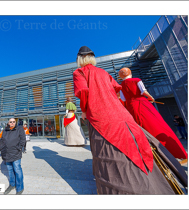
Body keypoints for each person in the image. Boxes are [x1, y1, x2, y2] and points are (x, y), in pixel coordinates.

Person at [73, 46, 179, 194]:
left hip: (100, 116)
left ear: (79, 59)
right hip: (122, 115)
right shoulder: (104, 72)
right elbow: (116, 91)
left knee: (107, 149)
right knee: (137, 144)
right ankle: (158, 185)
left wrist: (84, 110)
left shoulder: (79, 72)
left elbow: (83, 91)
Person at [118, 67, 187, 159]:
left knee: (141, 128)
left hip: (131, 107)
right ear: (130, 73)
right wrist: (151, 98)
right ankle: (175, 153)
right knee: (157, 124)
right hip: (142, 104)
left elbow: (123, 99)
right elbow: (144, 91)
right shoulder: (136, 80)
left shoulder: (121, 86)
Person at [0, 118, 26, 195]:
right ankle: (12, 184)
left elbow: (23, 139)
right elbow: (2, 141)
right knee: (10, 171)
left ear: (15, 122)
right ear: (8, 123)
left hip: (16, 153)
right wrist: (2, 149)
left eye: (13, 122)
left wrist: (19, 148)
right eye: (10, 122)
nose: (12, 123)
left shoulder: (19, 129)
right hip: (7, 154)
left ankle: (20, 188)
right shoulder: (5, 130)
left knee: (17, 171)